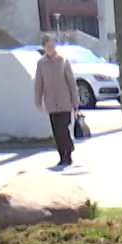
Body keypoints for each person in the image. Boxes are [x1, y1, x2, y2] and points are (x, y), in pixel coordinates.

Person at [33, 35, 77, 168]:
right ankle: (61, 155)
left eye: (52, 46)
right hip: (51, 102)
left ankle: (68, 152)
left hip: (65, 102)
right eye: (47, 47)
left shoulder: (63, 60)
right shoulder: (41, 63)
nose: (50, 49)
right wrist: (38, 101)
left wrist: (75, 101)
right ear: (44, 48)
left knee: (63, 129)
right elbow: (38, 84)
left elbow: (71, 82)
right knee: (56, 132)